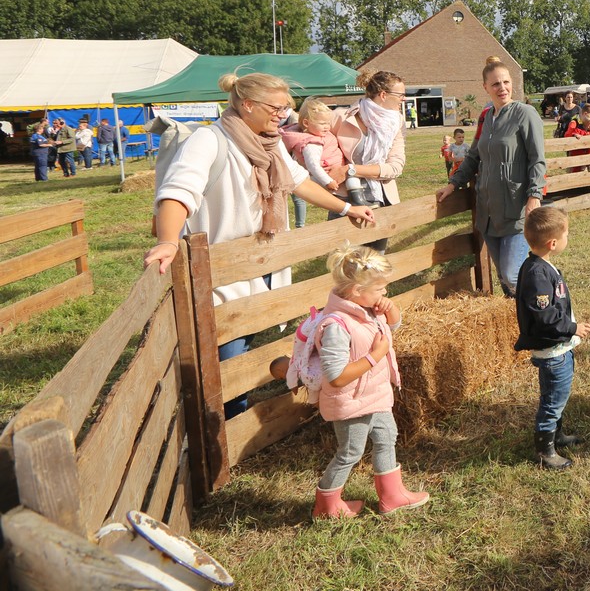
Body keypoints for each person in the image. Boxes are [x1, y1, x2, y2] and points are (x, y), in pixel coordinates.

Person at [144, 72, 377, 418]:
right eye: (276, 107)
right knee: (227, 350)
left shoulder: (270, 142)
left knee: (247, 339)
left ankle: (233, 413)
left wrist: (345, 208)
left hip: (265, 260)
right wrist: (168, 241)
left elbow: (298, 181)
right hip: (225, 268)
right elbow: (178, 191)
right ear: (247, 104)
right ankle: (225, 422)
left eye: (286, 108)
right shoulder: (209, 140)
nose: (283, 115)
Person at [311, 244, 429, 518]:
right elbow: (336, 377)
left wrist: (391, 309)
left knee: (387, 436)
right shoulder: (336, 326)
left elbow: (391, 326)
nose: (384, 293)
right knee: (350, 452)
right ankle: (326, 507)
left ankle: (392, 497)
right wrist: (376, 355)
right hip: (351, 403)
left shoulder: (365, 309)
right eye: (380, 289)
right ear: (357, 291)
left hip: (375, 395)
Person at [438, 56, 546, 298]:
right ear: (485, 87)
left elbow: (537, 159)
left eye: (506, 82)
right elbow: (473, 156)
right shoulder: (487, 117)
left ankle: (546, 308)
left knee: (512, 274)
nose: (502, 88)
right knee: (503, 277)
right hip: (488, 209)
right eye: (495, 84)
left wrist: (534, 195)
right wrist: (453, 184)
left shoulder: (525, 113)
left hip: (516, 206)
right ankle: (517, 315)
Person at [513, 206, 590, 469]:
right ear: (553, 243)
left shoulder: (541, 266)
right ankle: (545, 451)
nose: (568, 237)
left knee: (558, 396)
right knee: (552, 401)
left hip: (559, 349)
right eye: (566, 233)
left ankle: (557, 435)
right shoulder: (537, 274)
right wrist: (572, 328)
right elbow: (544, 317)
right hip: (553, 353)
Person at [331, 70, 408, 252]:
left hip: (380, 201)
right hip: (344, 201)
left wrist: (351, 170)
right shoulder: (342, 117)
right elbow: (322, 148)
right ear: (383, 95)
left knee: (375, 259)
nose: (404, 99)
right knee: (344, 260)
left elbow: (395, 167)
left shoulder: (397, 122)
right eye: (401, 95)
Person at [281, 98, 347, 229]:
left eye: (328, 123)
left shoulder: (320, 136)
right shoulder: (311, 143)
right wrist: (327, 181)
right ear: (306, 123)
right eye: (322, 123)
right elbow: (313, 166)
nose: (327, 127)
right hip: (327, 175)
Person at [564, 104, 590, 172]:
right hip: (576, 152)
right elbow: (568, 135)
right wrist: (575, 135)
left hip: (585, 152)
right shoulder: (574, 122)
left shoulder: (586, 123)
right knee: (576, 170)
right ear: (585, 114)